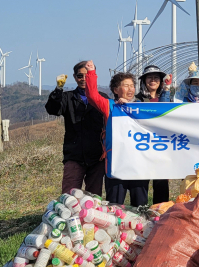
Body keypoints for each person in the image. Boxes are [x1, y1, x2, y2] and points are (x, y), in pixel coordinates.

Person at [83, 60, 160, 207]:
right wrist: (91, 73)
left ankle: (141, 230)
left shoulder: (141, 107)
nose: (130, 89)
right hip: (116, 165)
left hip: (138, 165)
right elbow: (92, 95)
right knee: (115, 206)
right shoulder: (110, 106)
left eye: (132, 85)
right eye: (126, 86)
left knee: (140, 206)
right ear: (115, 89)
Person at [45, 61, 106, 196]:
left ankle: (90, 217)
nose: (83, 79)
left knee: (94, 197)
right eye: (80, 76)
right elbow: (53, 109)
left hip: (97, 155)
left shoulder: (103, 98)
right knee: (69, 195)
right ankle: (68, 217)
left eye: (87, 75)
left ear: (93, 75)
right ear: (74, 77)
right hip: (74, 154)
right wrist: (58, 90)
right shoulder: (67, 97)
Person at [135, 64, 170, 204]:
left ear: (161, 81)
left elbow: (165, 112)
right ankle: (140, 214)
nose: (153, 80)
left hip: (161, 147)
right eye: (150, 78)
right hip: (142, 146)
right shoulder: (136, 100)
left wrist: (167, 91)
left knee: (161, 184)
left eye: (156, 78)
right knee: (140, 184)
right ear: (144, 81)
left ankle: (160, 215)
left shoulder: (168, 97)